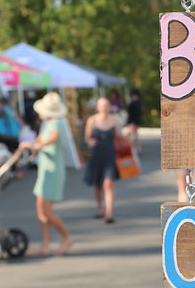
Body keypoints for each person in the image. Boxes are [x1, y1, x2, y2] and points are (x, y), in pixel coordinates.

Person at [19, 92, 72, 256]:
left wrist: (38, 146)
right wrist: (33, 146)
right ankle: (45, 245)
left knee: (46, 211)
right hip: (45, 170)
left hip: (53, 171)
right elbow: (39, 141)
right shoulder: (48, 123)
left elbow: (53, 138)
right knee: (41, 211)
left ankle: (66, 238)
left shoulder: (57, 123)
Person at [84, 97, 122, 223]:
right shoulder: (92, 120)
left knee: (108, 183)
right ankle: (100, 208)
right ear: (98, 107)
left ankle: (109, 213)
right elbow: (87, 137)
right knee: (98, 184)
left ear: (109, 106)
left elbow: (118, 138)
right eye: (102, 105)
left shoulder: (115, 120)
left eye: (106, 105)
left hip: (110, 154)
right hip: (97, 154)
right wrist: (90, 141)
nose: (105, 107)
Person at [124, 88, 143, 154]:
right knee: (136, 135)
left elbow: (131, 113)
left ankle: (131, 148)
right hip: (137, 120)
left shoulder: (134, 103)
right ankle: (138, 148)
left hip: (132, 121)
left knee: (127, 135)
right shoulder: (140, 103)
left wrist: (130, 122)